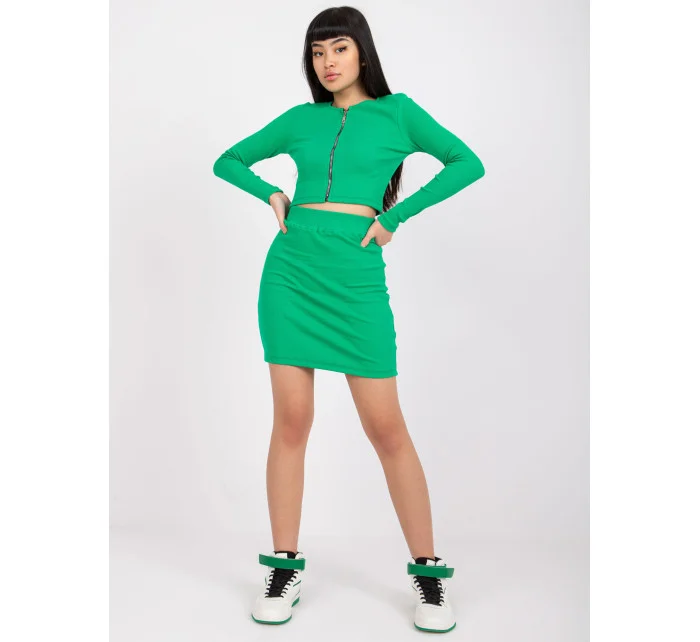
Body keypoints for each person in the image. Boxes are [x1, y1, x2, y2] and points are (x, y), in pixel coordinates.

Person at [212, 6, 485, 634]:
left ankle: (429, 574)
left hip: (356, 279)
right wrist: (271, 193)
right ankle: (283, 566)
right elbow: (228, 160)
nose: (327, 62)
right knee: (292, 419)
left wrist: (394, 217)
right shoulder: (301, 119)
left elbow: (466, 162)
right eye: (317, 52)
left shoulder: (398, 113)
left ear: (362, 51)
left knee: (386, 427)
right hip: (290, 275)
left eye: (338, 47)